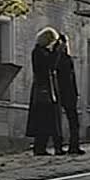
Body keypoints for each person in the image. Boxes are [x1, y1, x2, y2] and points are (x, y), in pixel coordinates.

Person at [26, 27, 65, 156]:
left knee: (46, 119)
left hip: (45, 88)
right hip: (44, 89)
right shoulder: (39, 52)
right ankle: (41, 147)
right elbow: (50, 65)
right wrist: (56, 52)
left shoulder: (40, 51)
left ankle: (43, 146)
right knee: (46, 119)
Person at [55, 34, 85, 155]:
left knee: (73, 120)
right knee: (59, 120)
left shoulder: (67, 58)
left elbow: (72, 78)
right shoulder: (58, 58)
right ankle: (62, 146)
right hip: (61, 91)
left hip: (68, 92)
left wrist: (75, 92)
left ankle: (74, 145)